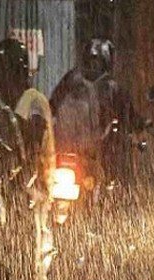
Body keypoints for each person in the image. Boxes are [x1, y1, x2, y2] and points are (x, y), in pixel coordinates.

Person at [50, 38, 148, 189]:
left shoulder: (70, 78)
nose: (93, 66)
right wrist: (140, 125)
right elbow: (128, 115)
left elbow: (52, 105)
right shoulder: (111, 87)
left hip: (64, 151)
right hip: (91, 153)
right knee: (111, 177)